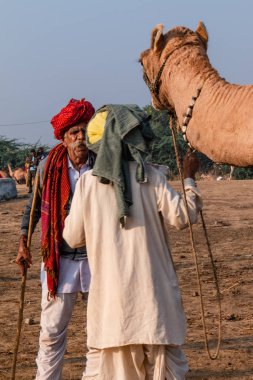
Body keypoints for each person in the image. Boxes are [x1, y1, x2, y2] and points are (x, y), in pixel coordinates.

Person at [63, 104, 203, 380]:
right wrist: (189, 178)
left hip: (112, 308)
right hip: (155, 303)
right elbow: (183, 216)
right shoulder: (152, 176)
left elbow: (72, 236)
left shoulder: (87, 184)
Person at [15, 98, 95, 380]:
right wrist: (24, 241)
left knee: (100, 331)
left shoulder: (100, 164)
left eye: (84, 131)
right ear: (63, 138)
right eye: (74, 133)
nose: (80, 138)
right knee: (51, 333)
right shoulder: (50, 166)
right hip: (59, 260)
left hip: (97, 259)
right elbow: (33, 208)